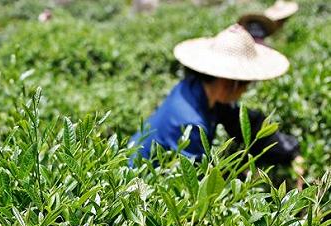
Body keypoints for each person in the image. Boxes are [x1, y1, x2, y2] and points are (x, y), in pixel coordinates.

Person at [129, 25, 304, 185]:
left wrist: (290, 151)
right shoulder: (191, 123)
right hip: (138, 182)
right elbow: (193, 184)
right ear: (229, 82)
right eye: (245, 83)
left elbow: (245, 124)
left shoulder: (197, 89)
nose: (245, 90)